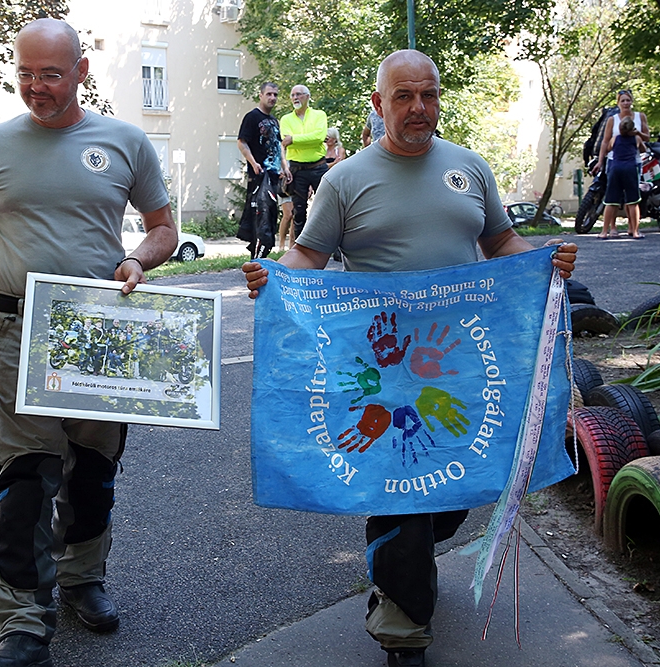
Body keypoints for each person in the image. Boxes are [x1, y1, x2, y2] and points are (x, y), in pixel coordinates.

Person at [242, 50, 577, 667]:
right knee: (403, 499)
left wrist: (544, 263)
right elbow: (310, 255)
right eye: (404, 96)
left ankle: (410, 567)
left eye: (429, 95)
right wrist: (275, 280)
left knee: (455, 492)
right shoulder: (345, 180)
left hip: (464, 367)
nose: (419, 108)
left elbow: (501, 240)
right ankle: (403, 631)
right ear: (379, 104)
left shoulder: (470, 168)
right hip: (379, 371)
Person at [0, 18, 177, 667]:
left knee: (93, 471)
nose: (36, 86)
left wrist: (138, 259)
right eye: (25, 73)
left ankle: (81, 577)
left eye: (50, 73)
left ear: (81, 71)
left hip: (101, 328)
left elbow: (163, 228)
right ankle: (21, 620)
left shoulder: (126, 142)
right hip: (18, 329)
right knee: (24, 476)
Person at [237, 82, 291, 258]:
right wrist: (253, 163)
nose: (272, 98)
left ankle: (261, 259)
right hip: (259, 177)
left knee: (270, 220)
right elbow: (242, 142)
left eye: (275, 94)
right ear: (261, 95)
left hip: (274, 178)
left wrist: (284, 167)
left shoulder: (274, 121)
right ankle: (256, 260)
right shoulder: (252, 117)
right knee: (259, 220)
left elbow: (278, 145)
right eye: (269, 94)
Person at [279, 84, 329, 238]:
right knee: (298, 211)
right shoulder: (286, 119)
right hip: (297, 169)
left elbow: (319, 137)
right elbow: (285, 141)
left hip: (318, 167)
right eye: (292, 95)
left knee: (327, 206)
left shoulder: (319, 115)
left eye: (299, 94)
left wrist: (294, 139)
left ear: (307, 96)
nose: (295, 98)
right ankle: (300, 246)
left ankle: (330, 244)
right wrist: (309, 140)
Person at [598, 117, 645, 239]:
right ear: (632, 129)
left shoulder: (615, 138)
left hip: (615, 169)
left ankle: (604, 232)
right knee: (633, 202)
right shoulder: (636, 138)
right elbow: (643, 149)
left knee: (610, 201)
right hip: (630, 169)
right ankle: (635, 232)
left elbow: (608, 148)